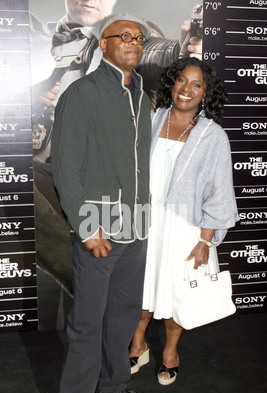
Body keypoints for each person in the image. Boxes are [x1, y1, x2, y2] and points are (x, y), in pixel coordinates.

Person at [30, 0, 203, 294]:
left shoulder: (132, 35)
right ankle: (98, 285)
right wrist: (26, 98)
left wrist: (187, 51)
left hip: (113, 180)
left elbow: (160, 53)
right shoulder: (34, 38)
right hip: (52, 171)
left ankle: (101, 286)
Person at [51, 13, 152, 393]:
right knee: (88, 322)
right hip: (99, 232)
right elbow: (65, 168)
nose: (133, 42)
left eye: (139, 38)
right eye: (123, 36)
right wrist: (86, 228)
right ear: (104, 45)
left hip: (137, 228)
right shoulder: (81, 93)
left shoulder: (144, 96)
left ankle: (111, 385)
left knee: (123, 317)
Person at [129, 57, 239, 386]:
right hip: (146, 223)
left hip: (186, 229)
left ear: (206, 93)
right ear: (171, 83)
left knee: (178, 292)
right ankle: (138, 343)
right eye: (181, 81)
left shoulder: (213, 136)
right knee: (142, 289)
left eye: (196, 85)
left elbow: (220, 194)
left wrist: (205, 242)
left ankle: (170, 352)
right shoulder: (149, 120)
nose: (186, 90)